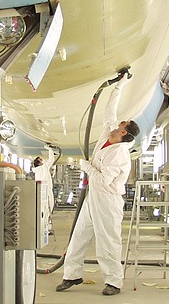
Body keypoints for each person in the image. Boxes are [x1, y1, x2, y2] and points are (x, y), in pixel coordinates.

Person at [56, 74, 139, 296]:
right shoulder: (108, 134)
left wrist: (86, 167)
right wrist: (120, 85)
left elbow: (103, 180)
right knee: (79, 234)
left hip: (107, 199)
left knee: (107, 241)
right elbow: (109, 111)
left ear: (124, 132)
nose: (118, 123)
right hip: (93, 196)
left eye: (122, 124)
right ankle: (71, 275)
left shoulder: (119, 154)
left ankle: (114, 281)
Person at [32, 144, 55, 234]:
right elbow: (51, 160)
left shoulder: (37, 171)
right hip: (47, 191)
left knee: (43, 210)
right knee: (48, 208)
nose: (43, 160)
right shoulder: (44, 167)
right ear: (39, 163)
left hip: (39, 191)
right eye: (41, 160)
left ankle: (44, 227)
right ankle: (47, 228)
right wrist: (49, 149)